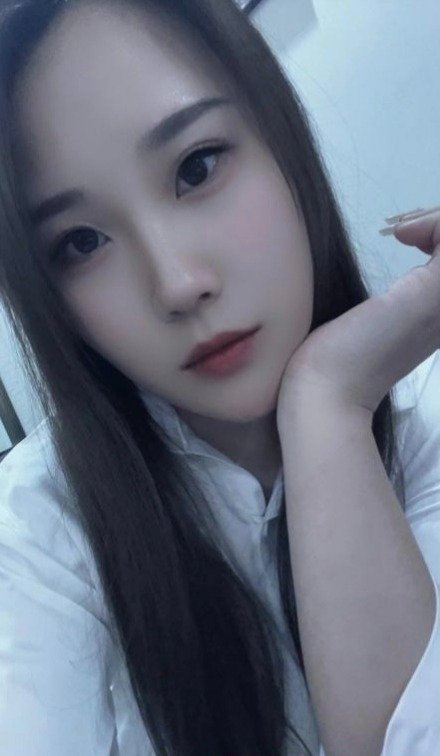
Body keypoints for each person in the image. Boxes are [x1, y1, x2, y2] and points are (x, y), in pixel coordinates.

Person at [0, 0, 439, 753]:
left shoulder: (422, 412)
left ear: (280, 137)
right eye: (81, 243)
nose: (177, 284)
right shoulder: (36, 535)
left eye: (195, 167)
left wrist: (328, 404)